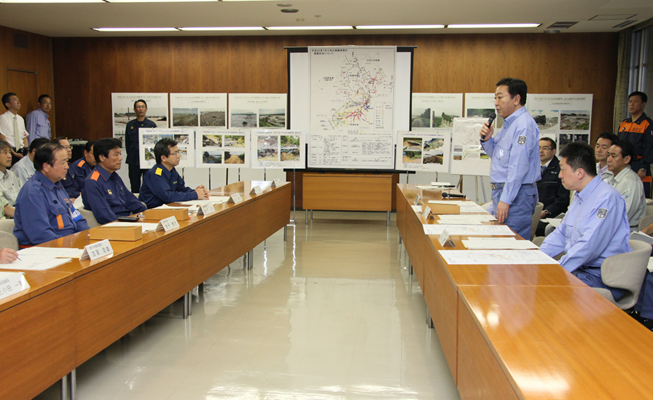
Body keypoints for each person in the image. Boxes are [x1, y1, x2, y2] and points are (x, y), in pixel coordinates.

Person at [539, 142, 631, 301]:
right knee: (535, 282)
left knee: (546, 291)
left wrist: (557, 269)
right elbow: (561, 234)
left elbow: (589, 246)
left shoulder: (607, 198)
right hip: (581, 269)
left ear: (580, 172)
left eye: (563, 169)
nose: (560, 175)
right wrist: (537, 259)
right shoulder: (579, 195)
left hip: (602, 276)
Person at [480, 78, 540, 239]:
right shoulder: (508, 124)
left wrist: (506, 200)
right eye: (495, 98)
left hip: (516, 195)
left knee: (511, 246)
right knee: (502, 244)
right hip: (506, 192)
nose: (496, 102)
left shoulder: (523, 125)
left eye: (500, 97)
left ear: (516, 99)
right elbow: (499, 159)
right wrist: (487, 140)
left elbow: (518, 167)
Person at [13, 142, 89, 246]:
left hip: (70, 243)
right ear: (46, 166)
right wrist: (71, 246)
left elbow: (76, 217)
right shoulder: (33, 192)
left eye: (67, 162)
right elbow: (42, 235)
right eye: (62, 163)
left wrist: (87, 237)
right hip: (47, 250)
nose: (67, 167)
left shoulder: (57, 185)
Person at [82, 138, 146, 224]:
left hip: (129, 220)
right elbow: (105, 216)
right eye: (116, 155)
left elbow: (132, 201)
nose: (120, 158)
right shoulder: (92, 182)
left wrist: (144, 216)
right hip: (115, 226)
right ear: (102, 157)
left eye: (120, 154)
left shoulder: (114, 176)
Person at [139, 138, 208, 208]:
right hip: (152, 212)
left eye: (178, 152)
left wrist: (196, 191)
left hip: (169, 209)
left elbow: (181, 189)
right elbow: (168, 196)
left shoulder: (171, 170)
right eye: (174, 153)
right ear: (163, 158)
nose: (178, 156)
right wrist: (195, 195)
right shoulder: (155, 174)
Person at [618, 91, 653, 197]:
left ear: (644, 104)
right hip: (623, 164)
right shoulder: (624, 123)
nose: (631, 104)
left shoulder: (647, 124)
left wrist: (644, 167)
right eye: (630, 101)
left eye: (635, 102)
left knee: (639, 196)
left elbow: (650, 147)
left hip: (639, 165)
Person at [606, 140, 646, 231]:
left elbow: (624, 215)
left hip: (626, 233)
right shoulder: (611, 178)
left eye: (613, 156)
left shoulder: (631, 181)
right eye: (608, 155)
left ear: (626, 159)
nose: (608, 159)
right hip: (611, 229)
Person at [535, 138, 569, 236]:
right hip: (533, 212)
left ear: (553, 151)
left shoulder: (560, 169)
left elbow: (562, 199)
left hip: (551, 216)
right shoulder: (532, 167)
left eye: (545, 148)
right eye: (539, 148)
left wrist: (546, 212)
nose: (541, 151)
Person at [125, 99, 157, 193]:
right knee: (134, 186)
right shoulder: (130, 125)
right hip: (133, 160)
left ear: (146, 109)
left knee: (148, 185)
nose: (140, 109)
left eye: (142, 107)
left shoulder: (151, 124)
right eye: (138, 107)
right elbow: (127, 143)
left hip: (147, 159)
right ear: (135, 109)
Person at [0, 92, 29, 164]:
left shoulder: (20, 119)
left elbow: (24, 137)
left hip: (22, 152)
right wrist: (14, 153)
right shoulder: (3, 118)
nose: (18, 101)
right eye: (15, 100)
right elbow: (2, 138)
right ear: (7, 104)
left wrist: (26, 150)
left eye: (18, 99)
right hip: (10, 151)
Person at [0, 141, 21, 210]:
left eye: (10, 152)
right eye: (5, 152)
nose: (9, 156)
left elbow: (24, 195)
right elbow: (5, 209)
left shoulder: (12, 174)